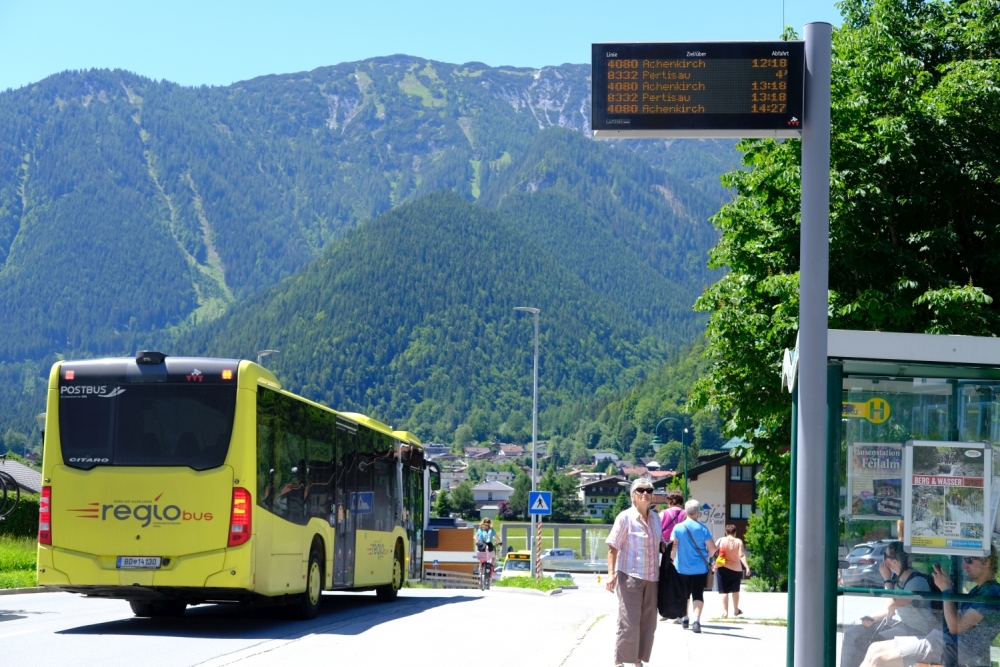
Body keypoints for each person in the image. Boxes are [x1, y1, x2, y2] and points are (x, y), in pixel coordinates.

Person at [861, 547, 1000, 667]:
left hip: (957, 649)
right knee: (875, 648)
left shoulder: (991, 593)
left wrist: (946, 590)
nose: (964, 566)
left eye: (969, 561)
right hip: (943, 639)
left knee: (880, 659)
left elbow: (955, 626)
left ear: (986, 562)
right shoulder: (979, 589)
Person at [840, 541, 939, 667]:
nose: (883, 560)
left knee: (870, 641)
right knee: (852, 633)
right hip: (900, 624)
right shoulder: (898, 578)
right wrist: (873, 618)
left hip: (915, 630)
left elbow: (892, 605)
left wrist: (887, 581)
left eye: (885, 556)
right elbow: (891, 610)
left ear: (894, 561)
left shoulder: (916, 582)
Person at [606, 477, 664, 667]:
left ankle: (638, 661)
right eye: (641, 490)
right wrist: (611, 574)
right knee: (629, 622)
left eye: (649, 490)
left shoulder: (656, 518)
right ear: (633, 495)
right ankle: (619, 660)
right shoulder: (625, 517)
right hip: (630, 576)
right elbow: (612, 548)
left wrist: (668, 546)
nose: (645, 493)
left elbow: (660, 545)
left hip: (652, 578)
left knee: (648, 624)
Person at [670, 499, 716, 633]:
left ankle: (684, 617)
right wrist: (707, 555)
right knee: (697, 594)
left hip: (681, 568)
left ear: (685, 512)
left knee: (684, 595)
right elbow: (712, 549)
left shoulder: (677, 528)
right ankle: (696, 621)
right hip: (699, 569)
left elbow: (673, 548)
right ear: (698, 514)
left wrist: (671, 560)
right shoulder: (702, 528)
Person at [658, 489, 687, 622]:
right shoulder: (686, 514)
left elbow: (656, 531)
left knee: (663, 582)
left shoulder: (663, 514)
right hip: (680, 552)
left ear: (669, 501)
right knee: (680, 584)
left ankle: (664, 611)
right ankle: (680, 614)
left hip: (664, 551)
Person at [715, 524, 751, 619]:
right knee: (735, 590)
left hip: (722, 567)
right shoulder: (738, 541)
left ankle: (725, 612)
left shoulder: (721, 540)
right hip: (736, 569)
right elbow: (742, 555)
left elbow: (712, 550)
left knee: (724, 591)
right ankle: (735, 609)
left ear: (726, 532)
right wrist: (747, 567)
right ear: (735, 533)